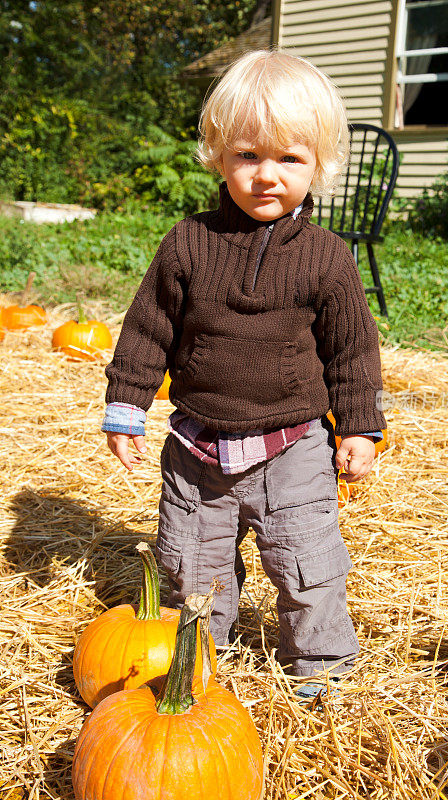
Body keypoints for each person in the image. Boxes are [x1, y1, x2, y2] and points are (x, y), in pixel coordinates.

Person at [102, 49, 387, 677]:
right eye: (248, 155)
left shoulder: (327, 258)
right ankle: (201, 659)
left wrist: (361, 426)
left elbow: (350, 350)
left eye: (290, 158)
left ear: (320, 164)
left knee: (308, 563)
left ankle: (319, 666)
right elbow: (149, 328)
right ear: (217, 153)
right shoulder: (188, 242)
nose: (267, 175)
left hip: (295, 451)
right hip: (199, 448)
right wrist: (126, 407)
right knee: (190, 566)